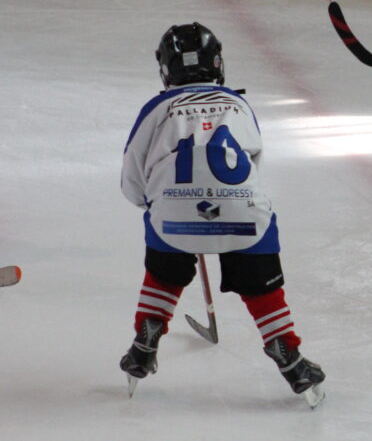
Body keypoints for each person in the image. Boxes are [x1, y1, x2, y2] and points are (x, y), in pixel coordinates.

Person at [119, 22, 325, 404]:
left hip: (172, 212)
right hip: (241, 211)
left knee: (164, 266)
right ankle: (289, 355)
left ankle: (145, 342)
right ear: (217, 63)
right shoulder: (239, 104)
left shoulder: (157, 108)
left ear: (165, 69)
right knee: (259, 275)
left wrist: (161, 205)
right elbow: (254, 165)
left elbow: (132, 177)